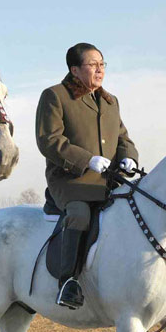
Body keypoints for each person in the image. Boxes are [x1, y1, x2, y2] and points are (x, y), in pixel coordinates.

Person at [36, 42, 139, 309]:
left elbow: (122, 137)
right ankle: (67, 282)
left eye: (102, 64)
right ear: (74, 69)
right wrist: (86, 160)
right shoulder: (55, 96)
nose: (99, 69)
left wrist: (129, 157)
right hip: (72, 181)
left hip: (109, 181)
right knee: (80, 214)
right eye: (92, 64)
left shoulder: (110, 101)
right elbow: (49, 140)